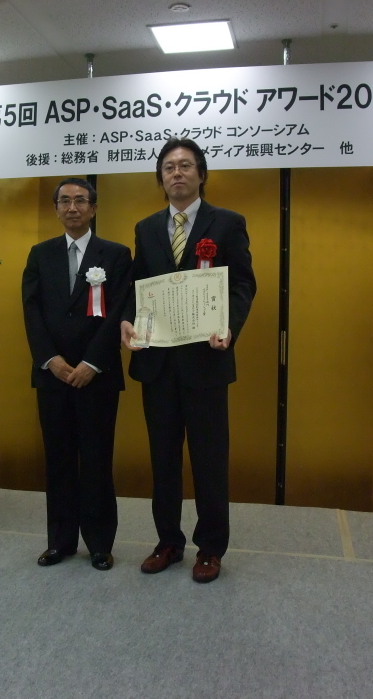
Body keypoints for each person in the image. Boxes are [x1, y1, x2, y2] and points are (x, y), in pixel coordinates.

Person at [121, 138, 256, 583]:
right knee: (163, 460)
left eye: (185, 166)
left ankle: (211, 549)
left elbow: (242, 286)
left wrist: (231, 325)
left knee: (209, 460)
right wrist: (128, 323)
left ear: (201, 174)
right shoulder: (145, 228)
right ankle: (168, 542)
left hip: (207, 363)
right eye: (168, 167)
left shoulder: (228, 223)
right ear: (160, 178)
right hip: (157, 364)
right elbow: (139, 287)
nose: (176, 173)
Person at [22, 178, 132, 571]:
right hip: (52, 376)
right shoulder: (40, 254)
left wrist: (92, 363)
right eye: (64, 201)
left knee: (97, 459)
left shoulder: (116, 255)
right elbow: (31, 312)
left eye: (80, 201)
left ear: (94, 208)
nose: (72, 207)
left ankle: (100, 543)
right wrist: (50, 359)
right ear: (56, 209)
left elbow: (119, 311)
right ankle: (61, 541)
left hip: (97, 376)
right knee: (59, 459)